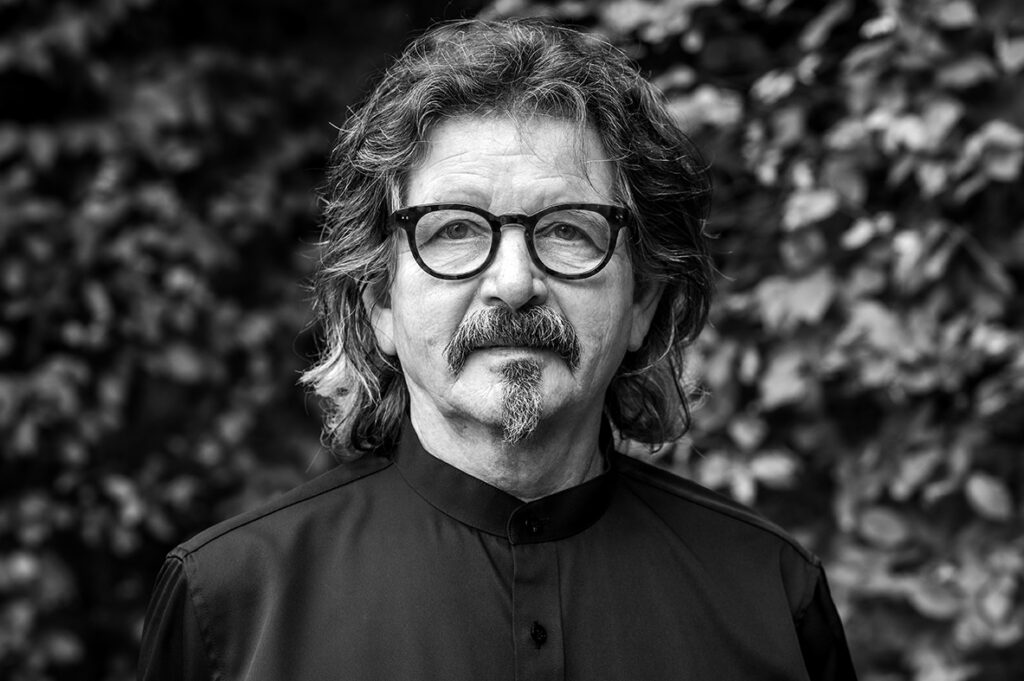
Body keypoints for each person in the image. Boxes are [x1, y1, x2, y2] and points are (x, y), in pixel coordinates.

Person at [138, 18, 857, 681]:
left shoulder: (772, 595)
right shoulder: (228, 604)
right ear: (380, 300)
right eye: (455, 229)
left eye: (568, 229)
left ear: (642, 300)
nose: (513, 284)